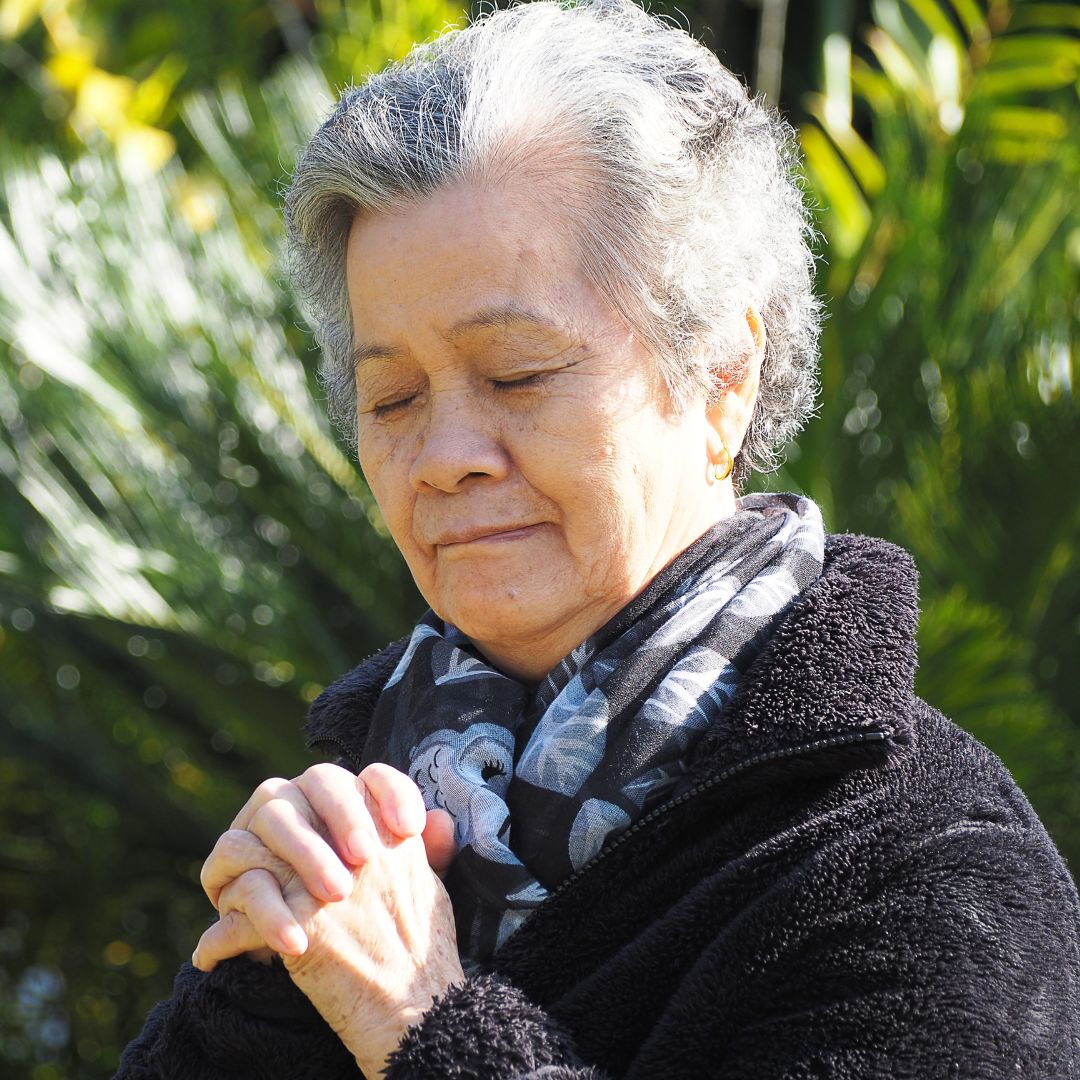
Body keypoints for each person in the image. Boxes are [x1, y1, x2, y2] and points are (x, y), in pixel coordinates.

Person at [116, 0, 1080, 1076]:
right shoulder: (355, 825)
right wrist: (264, 996)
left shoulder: (925, 862)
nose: (445, 455)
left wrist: (420, 1021)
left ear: (720, 376)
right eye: (391, 398)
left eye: (517, 374)